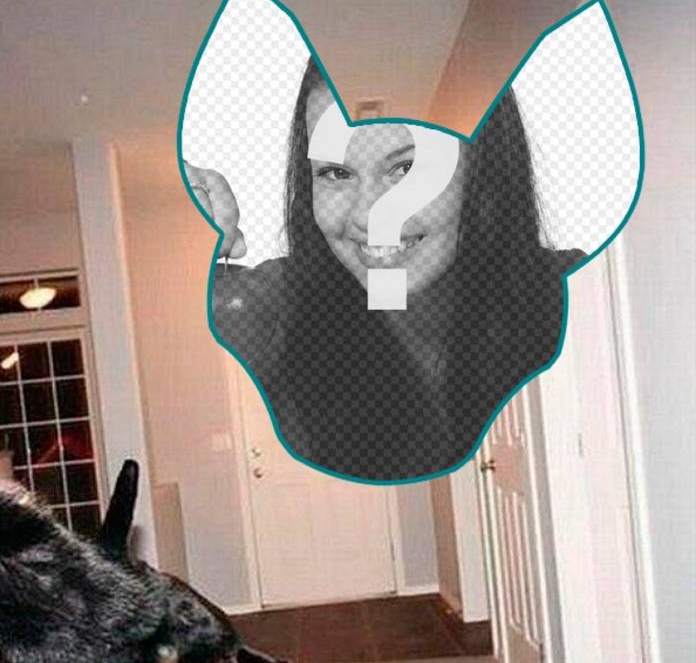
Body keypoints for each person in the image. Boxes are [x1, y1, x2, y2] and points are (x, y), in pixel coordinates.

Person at [187, 58, 585, 481]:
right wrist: (184, 233)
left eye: (406, 168)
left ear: (483, 167)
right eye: (336, 173)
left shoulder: (582, 296)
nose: (369, 215)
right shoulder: (272, 307)